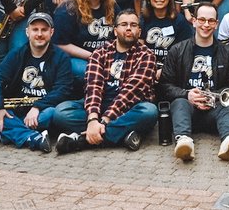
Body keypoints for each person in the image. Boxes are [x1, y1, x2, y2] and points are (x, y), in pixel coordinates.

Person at [0, 11, 81, 152]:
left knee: (54, 113)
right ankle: (32, 137)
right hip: (19, 109)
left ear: (51, 32)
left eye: (44, 30)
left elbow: (63, 89)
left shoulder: (61, 57)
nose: (39, 34)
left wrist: (37, 107)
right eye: (35, 29)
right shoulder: (17, 53)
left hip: (44, 110)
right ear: (27, 32)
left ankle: (1, 132)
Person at [54, 9, 160, 153]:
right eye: (124, 24)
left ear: (139, 31)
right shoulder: (100, 53)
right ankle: (121, 135)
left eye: (133, 25)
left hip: (129, 107)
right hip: (101, 103)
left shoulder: (147, 55)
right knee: (62, 112)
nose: (129, 28)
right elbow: (93, 87)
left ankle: (82, 141)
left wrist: (103, 121)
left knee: (149, 111)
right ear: (115, 31)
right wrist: (92, 119)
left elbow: (130, 92)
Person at [158, 2, 229, 161]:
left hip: (215, 109)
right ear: (194, 21)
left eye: (211, 21)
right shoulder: (177, 50)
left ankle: (228, 141)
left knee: (226, 107)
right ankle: (184, 142)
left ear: (216, 24)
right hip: (187, 109)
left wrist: (213, 97)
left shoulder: (228, 52)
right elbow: (164, 85)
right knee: (179, 102)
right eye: (202, 20)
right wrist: (187, 95)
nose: (206, 25)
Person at [54, 0, 115, 85]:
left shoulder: (112, 6)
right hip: (77, 58)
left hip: (106, 58)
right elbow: (60, 44)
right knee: (96, 75)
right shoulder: (67, 9)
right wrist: (93, 56)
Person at [138, 0, 193, 71]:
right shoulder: (143, 19)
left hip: (172, 69)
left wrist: (164, 70)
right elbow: (139, 50)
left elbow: (184, 52)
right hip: (146, 68)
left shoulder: (180, 21)